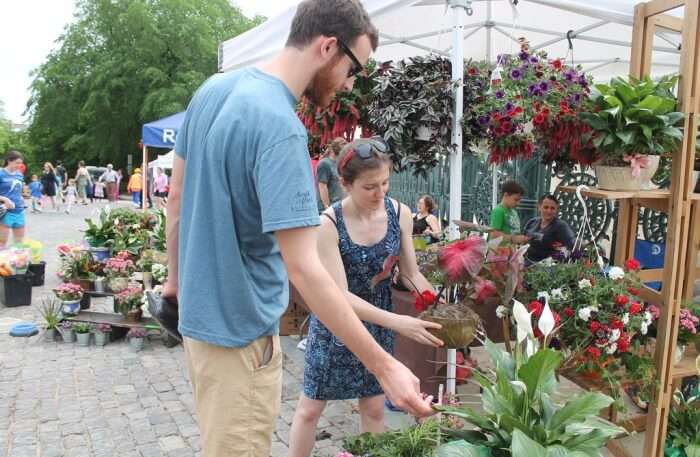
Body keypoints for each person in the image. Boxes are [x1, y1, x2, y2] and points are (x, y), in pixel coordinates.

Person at [162, 2, 434, 455]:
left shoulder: (214, 90)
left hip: (200, 326)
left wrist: (174, 284)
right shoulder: (280, 128)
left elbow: (176, 200)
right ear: (328, 46)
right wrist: (385, 367)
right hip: (241, 334)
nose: (350, 85)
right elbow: (306, 272)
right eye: (353, 69)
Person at [289, 138, 443, 457]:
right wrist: (399, 322)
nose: (381, 193)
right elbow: (338, 296)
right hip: (336, 327)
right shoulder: (328, 225)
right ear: (345, 184)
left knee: (374, 410)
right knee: (309, 411)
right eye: (370, 186)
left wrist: (440, 307)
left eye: (385, 182)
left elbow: (411, 274)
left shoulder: (399, 213)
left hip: (381, 323)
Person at [523, 194, 575, 265]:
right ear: (539, 207)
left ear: (557, 209)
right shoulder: (532, 222)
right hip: (527, 262)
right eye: (546, 207)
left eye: (552, 208)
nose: (549, 211)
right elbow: (522, 242)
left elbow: (572, 244)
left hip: (547, 268)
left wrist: (563, 247)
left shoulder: (560, 226)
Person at [0, 151, 27, 247]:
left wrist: (21, 198)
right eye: (17, 163)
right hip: (5, 212)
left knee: (19, 244)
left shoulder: (19, 174)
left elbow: (17, 191)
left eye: (21, 163)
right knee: (2, 243)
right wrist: (5, 200)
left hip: (19, 211)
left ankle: (16, 262)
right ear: (9, 161)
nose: (19, 165)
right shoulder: (1, 173)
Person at [316, 137, 346, 211]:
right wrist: (328, 208)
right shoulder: (325, 164)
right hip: (328, 210)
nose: (345, 147)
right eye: (343, 144)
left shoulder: (340, 164)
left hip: (339, 208)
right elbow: (322, 186)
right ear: (335, 147)